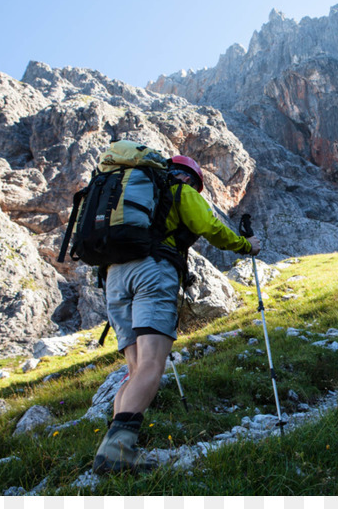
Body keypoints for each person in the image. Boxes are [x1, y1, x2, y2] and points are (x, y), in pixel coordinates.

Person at [93, 154, 260, 474]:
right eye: (197, 186)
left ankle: (114, 450)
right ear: (190, 180)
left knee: (135, 368)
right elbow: (210, 227)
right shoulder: (180, 192)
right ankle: (116, 451)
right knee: (152, 365)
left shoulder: (130, 192)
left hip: (113, 278)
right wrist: (245, 246)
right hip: (152, 273)